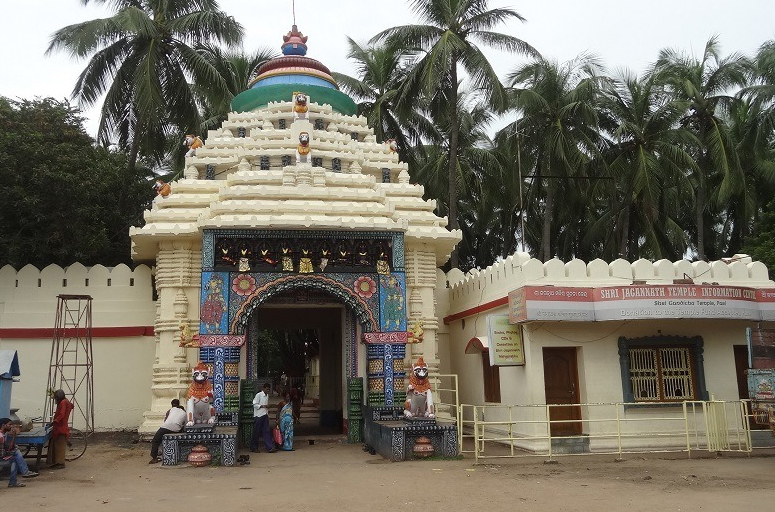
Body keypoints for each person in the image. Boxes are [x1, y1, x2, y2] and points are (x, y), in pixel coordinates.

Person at [1, 417, 39, 487]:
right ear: (3, 425)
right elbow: (2, 453)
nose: (11, 426)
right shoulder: (1, 436)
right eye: (9, 424)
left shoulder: (4, 434)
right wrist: (11, 453)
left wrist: (14, 437)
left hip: (2, 454)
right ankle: (24, 472)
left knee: (15, 452)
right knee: (15, 458)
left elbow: (8, 448)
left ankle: (19, 476)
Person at [149, 399, 187, 464]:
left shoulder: (171, 410)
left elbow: (165, 420)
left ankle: (154, 458)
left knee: (155, 441)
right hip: (176, 429)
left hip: (165, 426)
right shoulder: (185, 413)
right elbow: (185, 424)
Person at [49, 389, 74, 469]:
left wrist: (55, 421)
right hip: (62, 425)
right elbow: (72, 406)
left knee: (59, 446)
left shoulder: (63, 402)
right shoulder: (66, 401)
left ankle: (60, 463)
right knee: (57, 444)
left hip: (60, 427)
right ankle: (57, 462)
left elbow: (62, 414)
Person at [250, 383, 276, 453]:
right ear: (263, 388)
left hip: (265, 415)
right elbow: (254, 404)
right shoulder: (258, 395)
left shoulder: (267, 396)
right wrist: (263, 406)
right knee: (256, 432)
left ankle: (269, 447)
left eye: (268, 389)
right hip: (258, 415)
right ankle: (254, 447)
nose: (267, 391)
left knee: (267, 431)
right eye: (267, 389)